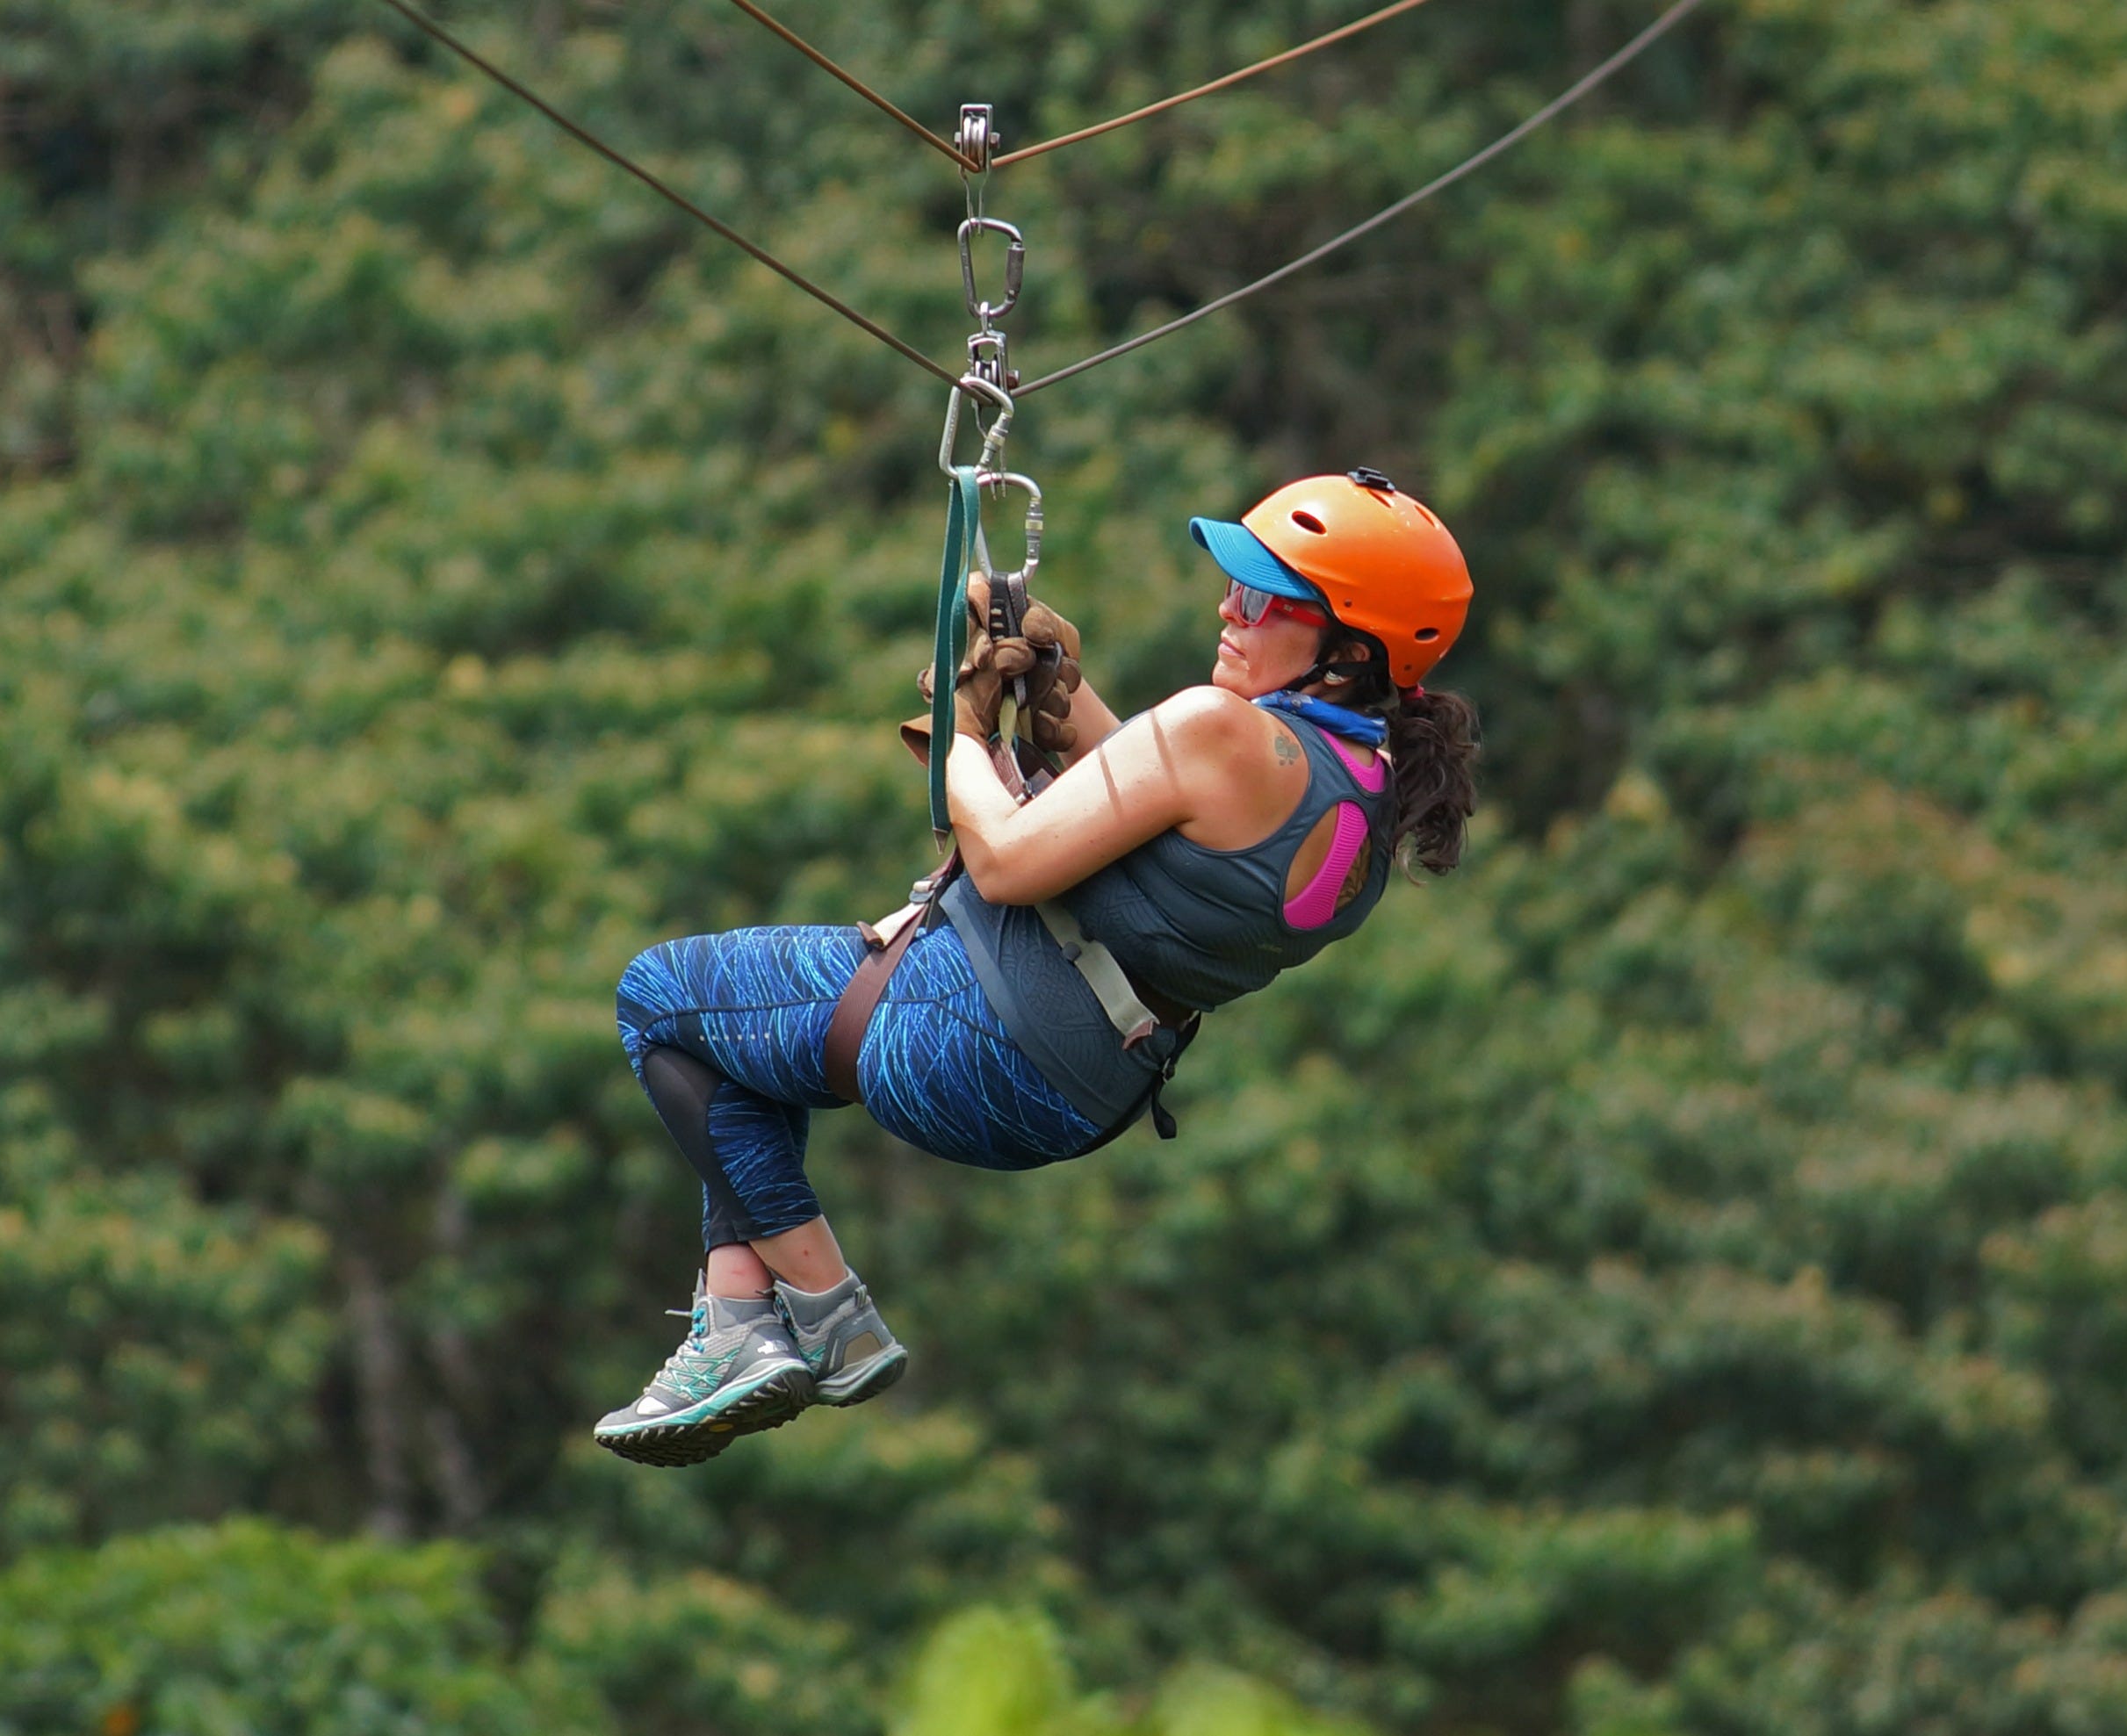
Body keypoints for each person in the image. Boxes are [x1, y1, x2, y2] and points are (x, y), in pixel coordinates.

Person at [592, 470, 1487, 1466]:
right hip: (1075, 1093)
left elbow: (1011, 860)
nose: (1228, 610)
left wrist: (964, 737)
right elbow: (1144, 802)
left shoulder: (1223, 728)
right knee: (741, 1048)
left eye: (1265, 598)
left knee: (661, 997)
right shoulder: (1365, 796)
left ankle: (823, 1312)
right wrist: (1056, 680)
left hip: (969, 1036)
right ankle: (737, 1316)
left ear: (1350, 648)